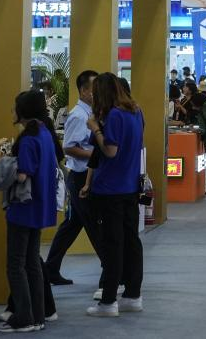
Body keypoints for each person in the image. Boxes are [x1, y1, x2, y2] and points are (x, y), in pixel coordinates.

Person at [0, 90, 63, 333]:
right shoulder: (45, 133)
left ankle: (23, 317)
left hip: (23, 208)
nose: (12, 111)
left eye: (15, 107)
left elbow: (23, 174)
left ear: (23, 111)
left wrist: (4, 163)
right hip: (40, 206)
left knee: (16, 265)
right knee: (33, 262)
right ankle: (38, 316)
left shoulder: (27, 139)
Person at [83, 73, 145, 317]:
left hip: (110, 189)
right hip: (130, 186)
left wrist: (95, 128)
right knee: (131, 242)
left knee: (113, 246)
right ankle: (132, 295)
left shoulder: (115, 116)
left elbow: (109, 151)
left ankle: (108, 301)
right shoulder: (136, 112)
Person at [44, 70, 103, 287]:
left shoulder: (91, 113)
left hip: (85, 175)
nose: (99, 93)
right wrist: (97, 155)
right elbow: (69, 148)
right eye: (95, 89)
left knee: (72, 225)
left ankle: (51, 269)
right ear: (85, 91)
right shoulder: (79, 116)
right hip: (80, 177)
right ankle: (111, 269)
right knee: (94, 225)